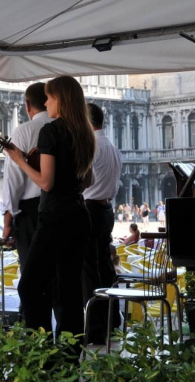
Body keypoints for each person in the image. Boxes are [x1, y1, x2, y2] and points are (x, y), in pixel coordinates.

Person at [5, 75, 95, 341]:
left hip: (54, 216)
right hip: (79, 215)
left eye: (50, 97)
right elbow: (87, 180)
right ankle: (69, 354)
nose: (46, 102)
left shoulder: (51, 131)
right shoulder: (84, 132)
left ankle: (39, 348)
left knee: (30, 285)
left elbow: (46, 182)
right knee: (69, 288)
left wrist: (19, 159)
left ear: (61, 100)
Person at [81, 102, 123, 344]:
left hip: (89, 209)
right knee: (106, 267)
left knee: (89, 270)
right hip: (107, 208)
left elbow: (84, 181)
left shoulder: (90, 147)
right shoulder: (114, 149)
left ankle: (94, 329)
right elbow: (116, 185)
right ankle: (112, 321)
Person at [0, 82, 53, 268]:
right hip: (66, 209)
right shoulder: (70, 129)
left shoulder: (24, 131)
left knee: (33, 274)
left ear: (27, 105)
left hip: (33, 213)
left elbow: (13, 182)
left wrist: (7, 221)